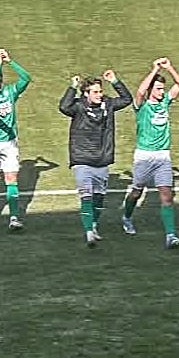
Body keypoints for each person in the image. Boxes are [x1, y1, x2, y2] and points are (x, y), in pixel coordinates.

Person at [59, 70, 134, 248]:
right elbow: (64, 107)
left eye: (100, 91)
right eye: (95, 92)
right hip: (82, 158)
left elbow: (126, 99)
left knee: (99, 198)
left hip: (102, 159)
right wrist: (72, 87)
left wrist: (115, 81)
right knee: (86, 195)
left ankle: (93, 225)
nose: (99, 95)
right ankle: (89, 233)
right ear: (86, 94)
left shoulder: (108, 104)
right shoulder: (78, 106)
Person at [122, 58, 179, 249]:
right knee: (136, 191)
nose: (161, 92)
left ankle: (171, 236)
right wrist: (154, 70)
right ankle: (126, 217)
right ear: (151, 89)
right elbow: (140, 92)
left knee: (167, 196)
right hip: (144, 156)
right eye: (158, 89)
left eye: (162, 89)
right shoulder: (141, 106)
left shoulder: (165, 102)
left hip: (163, 157)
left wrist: (169, 68)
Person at [0, 48, 32, 231]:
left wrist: (10, 62)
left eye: (0, 77)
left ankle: (14, 217)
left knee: (11, 178)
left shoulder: (10, 91)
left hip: (10, 142)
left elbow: (26, 78)